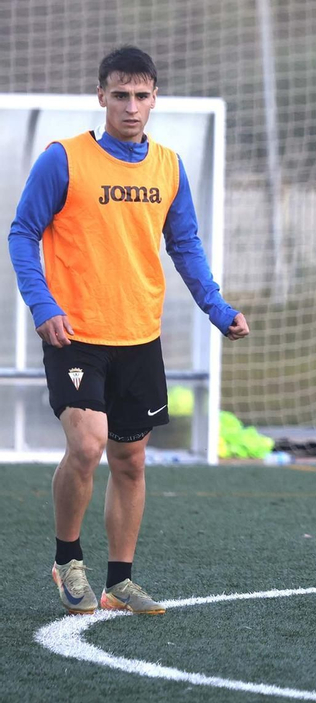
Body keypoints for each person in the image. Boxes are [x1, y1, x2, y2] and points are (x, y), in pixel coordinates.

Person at [9, 46, 249, 616]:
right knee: (87, 445)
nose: (132, 106)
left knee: (131, 461)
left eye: (142, 96)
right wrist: (42, 305)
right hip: (75, 334)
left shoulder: (168, 166)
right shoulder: (63, 159)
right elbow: (22, 233)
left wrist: (217, 310)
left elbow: (185, 245)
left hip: (139, 336)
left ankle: (119, 582)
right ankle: (68, 559)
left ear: (155, 98)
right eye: (121, 95)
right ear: (101, 96)